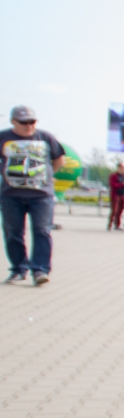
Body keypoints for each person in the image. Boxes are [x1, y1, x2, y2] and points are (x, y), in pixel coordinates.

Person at [2, 105, 65, 285]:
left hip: (41, 196)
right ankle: (18, 269)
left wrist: (46, 175)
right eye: (23, 122)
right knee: (13, 233)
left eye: (32, 122)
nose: (28, 125)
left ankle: (40, 270)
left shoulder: (45, 137)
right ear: (13, 121)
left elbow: (59, 158)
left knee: (42, 231)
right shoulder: (3, 137)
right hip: (11, 195)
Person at [107, 162, 124, 231]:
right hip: (116, 195)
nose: (123, 169)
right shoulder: (113, 176)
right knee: (114, 210)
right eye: (122, 168)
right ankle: (110, 225)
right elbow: (113, 185)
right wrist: (122, 184)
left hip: (123, 195)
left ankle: (118, 225)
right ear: (118, 168)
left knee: (120, 211)